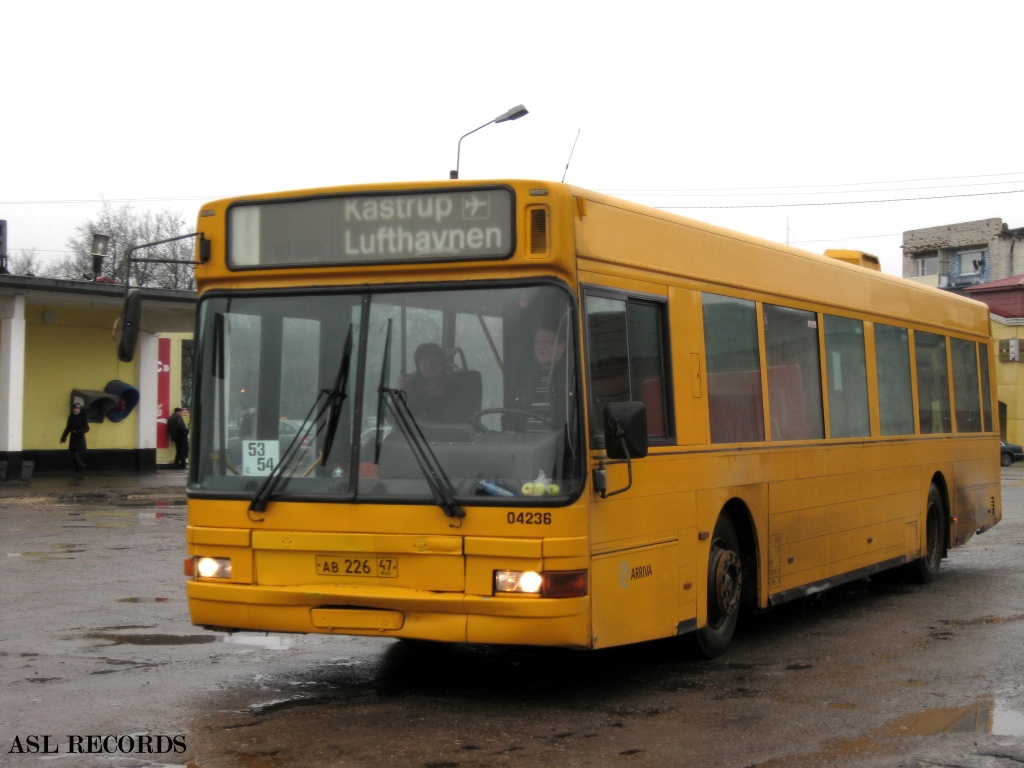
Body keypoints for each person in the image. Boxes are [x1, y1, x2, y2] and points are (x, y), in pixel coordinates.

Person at [505, 327, 568, 430]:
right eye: (538, 342)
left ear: (561, 347)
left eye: (548, 342)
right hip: (524, 445)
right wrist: (509, 431)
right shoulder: (523, 380)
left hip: (559, 445)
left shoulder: (572, 378)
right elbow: (509, 415)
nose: (541, 347)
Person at [402, 343, 467, 423]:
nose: (429, 366)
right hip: (417, 434)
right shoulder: (410, 385)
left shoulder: (454, 386)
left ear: (442, 364)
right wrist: (400, 394)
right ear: (418, 366)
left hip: (448, 433)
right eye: (424, 362)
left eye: (434, 362)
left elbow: (462, 418)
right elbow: (392, 419)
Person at [59, 403, 90, 478]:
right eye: (75, 408)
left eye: (78, 409)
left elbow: (87, 428)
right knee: (73, 456)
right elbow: (68, 428)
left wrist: (79, 431)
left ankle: (82, 469)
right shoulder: (70, 417)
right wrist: (63, 438)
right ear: (73, 409)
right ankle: (77, 472)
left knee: (77, 455)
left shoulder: (83, 417)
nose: (76, 410)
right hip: (73, 439)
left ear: (80, 409)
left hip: (80, 439)